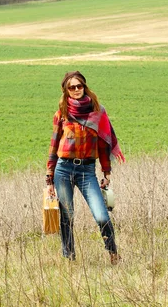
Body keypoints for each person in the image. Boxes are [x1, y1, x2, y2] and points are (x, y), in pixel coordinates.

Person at [46, 70, 125, 264]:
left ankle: (113, 252)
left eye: (79, 86)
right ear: (66, 90)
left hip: (87, 170)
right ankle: (69, 258)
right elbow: (54, 145)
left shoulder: (97, 112)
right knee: (67, 216)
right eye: (71, 87)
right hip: (63, 169)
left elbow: (103, 144)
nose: (76, 90)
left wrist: (106, 172)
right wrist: (49, 177)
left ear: (84, 86)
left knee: (101, 214)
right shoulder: (62, 114)